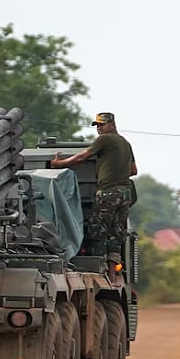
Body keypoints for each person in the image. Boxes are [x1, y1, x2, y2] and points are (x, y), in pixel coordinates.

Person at [50, 112, 137, 270]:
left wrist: (60, 164)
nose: (99, 128)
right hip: (125, 194)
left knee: (97, 231)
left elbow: (83, 156)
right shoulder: (125, 143)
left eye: (102, 125)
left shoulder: (105, 139)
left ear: (112, 125)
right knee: (116, 233)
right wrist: (115, 169)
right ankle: (112, 272)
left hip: (108, 192)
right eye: (97, 125)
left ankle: (97, 268)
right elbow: (133, 170)